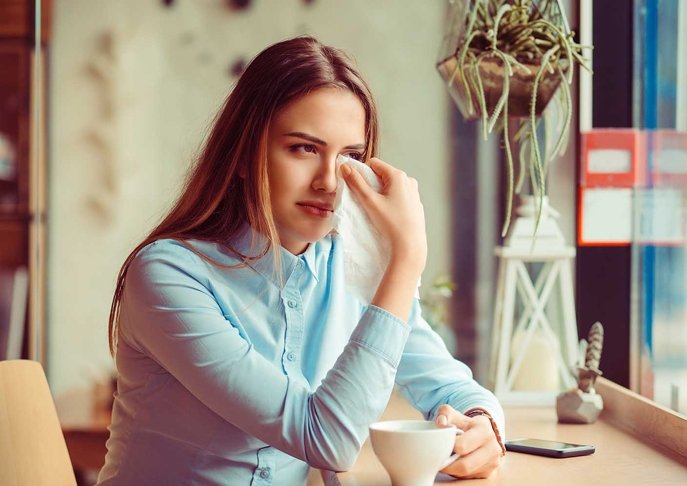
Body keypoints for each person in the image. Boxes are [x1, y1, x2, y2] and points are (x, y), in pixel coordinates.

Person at [97, 35, 505, 485]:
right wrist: (406, 257)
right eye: (304, 148)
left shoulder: (352, 265)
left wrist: (483, 425)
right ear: (243, 155)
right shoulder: (168, 275)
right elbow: (326, 439)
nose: (329, 182)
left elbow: (447, 383)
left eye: (350, 156)